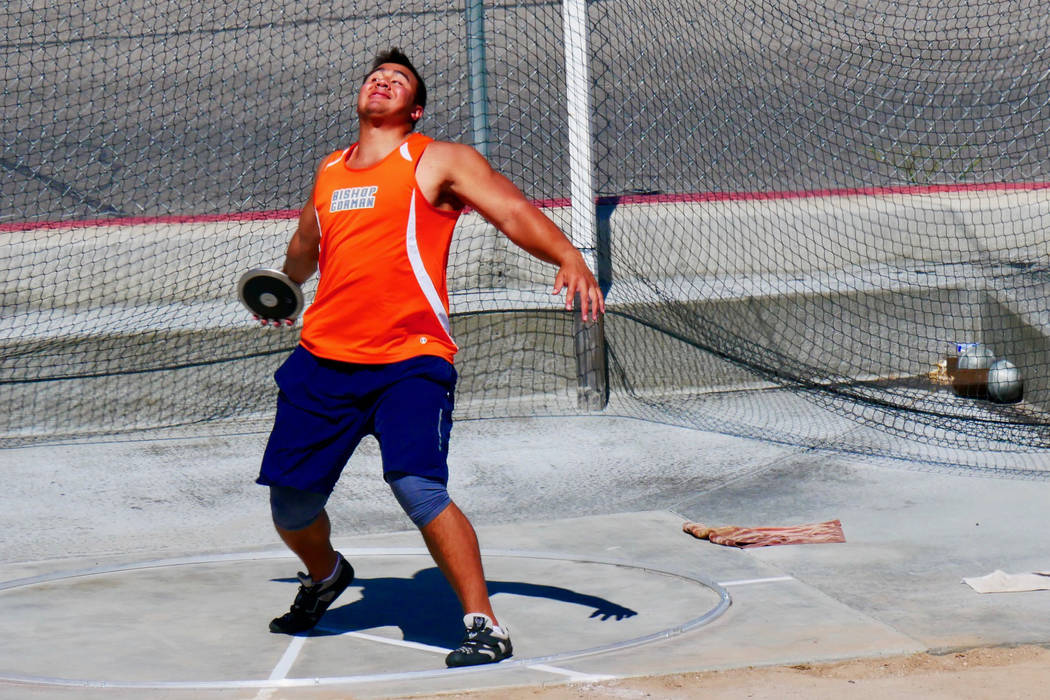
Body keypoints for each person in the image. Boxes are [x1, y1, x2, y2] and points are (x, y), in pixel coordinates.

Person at [254, 48, 604, 668]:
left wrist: (568, 255)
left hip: (409, 360)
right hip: (323, 361)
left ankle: (483, 624)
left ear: (412, 109)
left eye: (397, 81)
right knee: (291, 504)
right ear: (360, 99)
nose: (382, 82)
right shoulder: (330, 171)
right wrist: (281, 287)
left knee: (417, 485)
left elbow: (512, 210)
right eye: (374, 77)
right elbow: (305, 248)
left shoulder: (437, 160)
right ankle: (327, 574)